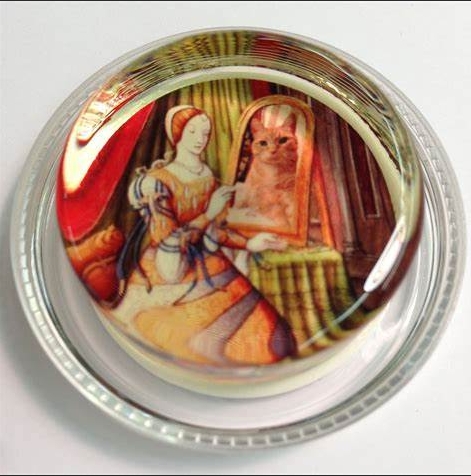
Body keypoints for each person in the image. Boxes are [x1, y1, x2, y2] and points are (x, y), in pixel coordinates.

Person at [106, 105, 296, 366]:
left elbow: (216, 230)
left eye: (205, 133)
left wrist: (249, 243)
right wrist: (209, 213)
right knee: (195, 346)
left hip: (210, 264)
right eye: (192, 131)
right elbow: (169, 240)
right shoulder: (156, 182)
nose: (200, 139)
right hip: (168, 271)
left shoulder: (207, 176)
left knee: (274, 337)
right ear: (177, 135)